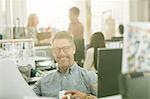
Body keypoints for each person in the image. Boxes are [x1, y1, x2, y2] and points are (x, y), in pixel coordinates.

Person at [33, 31, 97, 98]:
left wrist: (86, 97)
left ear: (74, 49)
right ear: (53, 52)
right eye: (57, 49)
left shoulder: (89, 78)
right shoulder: (43, 82)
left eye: (66, 49)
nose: (61, 53)